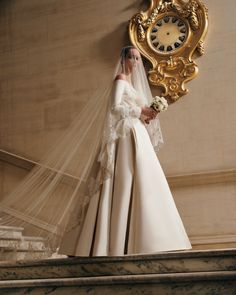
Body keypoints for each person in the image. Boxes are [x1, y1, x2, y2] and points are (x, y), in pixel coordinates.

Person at [58, 46, 192, 256]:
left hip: (137, 133)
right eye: (131, 57)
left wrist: (148, 115)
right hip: (125, 136)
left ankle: (151, 240)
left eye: (138, 58)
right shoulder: (120, 79)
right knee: (123, 179)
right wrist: (140, 110)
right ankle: (107, 242)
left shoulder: (134, 85)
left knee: (144, 180)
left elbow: (134, 110)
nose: (135, 61)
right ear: (123, 59)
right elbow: (114, 107)